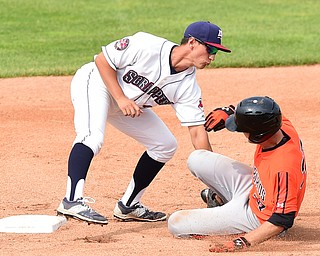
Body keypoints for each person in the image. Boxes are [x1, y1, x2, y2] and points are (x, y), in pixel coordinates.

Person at [56, 21, 232, 225]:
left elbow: (197, 132)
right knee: (92, 136)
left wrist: (215, 179)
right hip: (97, 84)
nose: (212, 56)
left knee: (165, 145)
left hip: (129, 105)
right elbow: (103, 61)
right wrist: (121, 98)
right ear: (192, 42)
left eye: (216, 51)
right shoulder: (147, 45)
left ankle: (129, 205)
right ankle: (72, 200)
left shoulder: (188, 86)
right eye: (210, 48)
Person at [168, 96, 307, 252]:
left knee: (176, 224)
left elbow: (282, 219)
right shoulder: (280, 125)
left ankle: (250, 228)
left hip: (260, 218)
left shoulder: (284, 167)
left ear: (257, 135)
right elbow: (262, 106)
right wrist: (230, 111)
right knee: (197, 158)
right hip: (253, 187)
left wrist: (242, 242)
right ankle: (224, 201)